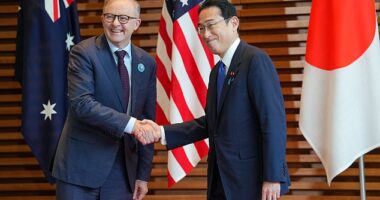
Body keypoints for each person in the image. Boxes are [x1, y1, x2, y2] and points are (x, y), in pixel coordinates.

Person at [134, 0, 290, 199]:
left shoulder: (255, 60)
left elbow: (273, 122)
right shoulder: (217, 71)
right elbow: (211, 124)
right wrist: (161, 132)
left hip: (252, 180)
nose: (206, 34)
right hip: (221, 178)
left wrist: (273, 176)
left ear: (233, 23)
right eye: (201, 28)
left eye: (211, 25)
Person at [52, 0, 156, 199]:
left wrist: (143, 175)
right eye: (110, 16)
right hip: (80, 169)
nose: (116, 23)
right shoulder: (83, 52)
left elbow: (146, 118)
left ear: (137, 23)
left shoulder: (147, 63)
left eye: (123, 18)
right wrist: (131, 124)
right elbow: (82, 104)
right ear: (102, 19)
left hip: (123, 173)